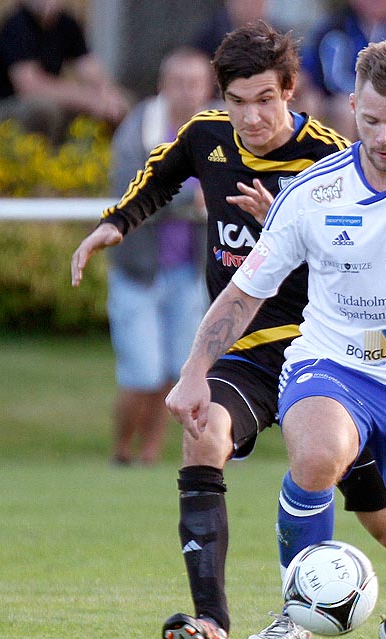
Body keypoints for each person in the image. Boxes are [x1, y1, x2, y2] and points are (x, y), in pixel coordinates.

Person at [71, 22, 386, 639]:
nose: (251, 115)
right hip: (264, 359)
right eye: (237, 100)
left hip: (347, 359)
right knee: (207, 434)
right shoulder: (206, 136)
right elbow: (160, 176)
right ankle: (217, 624)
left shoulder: (333, 159)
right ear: (221, 97)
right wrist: (115, 226)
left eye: (265, 98)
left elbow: (370, 262)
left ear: (292, 91)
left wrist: (284, 224)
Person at [106, 48, 214, 466]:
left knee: (174, 374)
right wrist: (193, 195)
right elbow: (133, 189)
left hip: (191, 271)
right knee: (142, 375)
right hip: (139, 271)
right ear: (162, 86)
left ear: (207, 88)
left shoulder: (219, 129)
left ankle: (149, 456)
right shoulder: (138, 129)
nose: (187, 93)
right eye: (179, 83)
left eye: (195, 83)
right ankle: (120, 453)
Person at [0, 0, 129, 144]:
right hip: (1, 106)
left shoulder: (66, 24)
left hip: (46, 99)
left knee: (124, 102)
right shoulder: (17, 25)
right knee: (44, 110)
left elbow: (89, 68)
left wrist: (109, 95)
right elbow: (31, 86)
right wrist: (90, 100)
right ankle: (37, 161)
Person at [297, 0, 386, 140]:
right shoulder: (337, 29)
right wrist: (372, 93)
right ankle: (346, 159)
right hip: (334, 98)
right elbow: (334, 80)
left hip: (385, 96)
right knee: (345, 109)